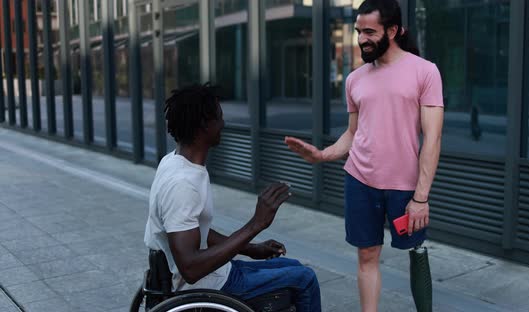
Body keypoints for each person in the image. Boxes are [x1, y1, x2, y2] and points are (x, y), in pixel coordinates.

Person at [285, 1, 444, 311]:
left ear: (393, 30)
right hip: (360, 180)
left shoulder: (425, 72)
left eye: (369, 32)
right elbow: (353, 133)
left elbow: (433, 137)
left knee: (416, 249)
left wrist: (421, 197)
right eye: (358, 31)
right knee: (366, 255)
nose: (361, 39)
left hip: (404, 186)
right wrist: (322, 154)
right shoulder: (354, 79)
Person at [144, 83, 321, 312]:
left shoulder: (174, 161)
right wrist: (256, 224)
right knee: (305, 279)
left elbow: (198, 231)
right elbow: (190, 268)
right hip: (208, 285)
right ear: (203, 126)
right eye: (219, 117)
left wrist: (251, 248)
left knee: (293, 266)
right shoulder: (183, 185)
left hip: (216, 274)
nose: (223, 124)